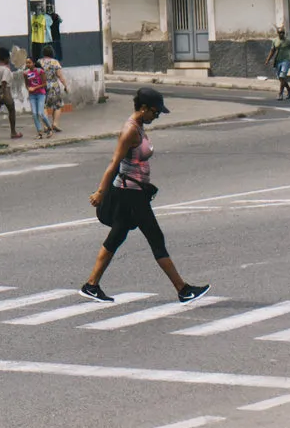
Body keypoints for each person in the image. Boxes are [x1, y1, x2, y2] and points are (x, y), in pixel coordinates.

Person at [82, 86, 208, 304]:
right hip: (130, 194)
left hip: (134, 192)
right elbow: (114, 163)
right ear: (143, 108)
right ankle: (183, 289)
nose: (157, 115)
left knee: (117, 236)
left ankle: (91, 285)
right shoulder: (129, 130)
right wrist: (100, 192)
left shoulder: (139, 126)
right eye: (155, 111)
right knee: (155, 238)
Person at [0, 47, 23, 139]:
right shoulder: (6, 70)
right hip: (4, 90)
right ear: (6, 58)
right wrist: (2, 94)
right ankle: (13, 132)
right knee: (11, 110)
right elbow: (4, 82)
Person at [42, 54, 69, 133]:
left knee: (44, 107)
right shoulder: (55, 62)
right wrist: (65, 86)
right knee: (57, 105)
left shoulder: (39, 62)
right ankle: (55, 124)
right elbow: (60, 75)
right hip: (54, 86)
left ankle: (46, 126)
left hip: (43, 86)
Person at [23, 56, 50, 135]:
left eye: (29, 62)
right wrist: (29, 89)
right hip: (32, 96)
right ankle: (39, 132)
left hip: (41, 94)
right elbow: (27, 85)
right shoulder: (26, 73)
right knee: (34, 114)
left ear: (33, 63)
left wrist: (35, 88)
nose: (27, 64)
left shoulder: (40, 71)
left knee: (40, 113)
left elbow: (44, 84)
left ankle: (49, 128)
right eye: (26, 63)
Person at [271, 26, 290, 100]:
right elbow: (272, 51)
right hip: (278, 61)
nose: (281, 34)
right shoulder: (274, 41)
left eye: (283, 33)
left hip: (286, 61)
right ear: (277, 33)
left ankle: (280, 94)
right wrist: (268, 59)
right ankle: (289, 90)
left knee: (282, 76)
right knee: (281, 78)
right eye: (280, 33)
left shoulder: (288, 41)